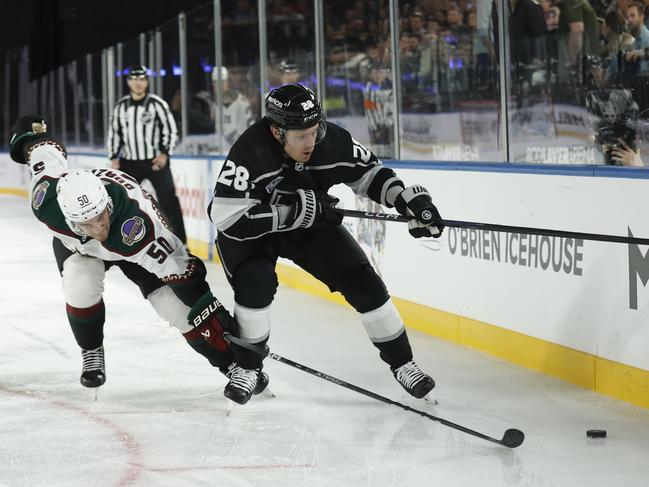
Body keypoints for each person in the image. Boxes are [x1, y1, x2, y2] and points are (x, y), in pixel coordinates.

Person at [208, 83, 444, 405]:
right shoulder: (251, 152)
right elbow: (225, 218)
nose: (310, 142)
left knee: (366, 284)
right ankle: (248, 368)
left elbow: (370, 175)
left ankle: (404, 363)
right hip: (253, 231)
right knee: (255, 285)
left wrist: (404, 199)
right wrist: (290, 213)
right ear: (278, 132)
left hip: (308, 223)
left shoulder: (331, 140)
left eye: (314, 131)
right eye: (300, 136)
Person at [9, 114, 268, 395]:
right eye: (87, 223)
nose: (99, 228)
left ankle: (232, 365)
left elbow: (189, 280)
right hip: (82, 251)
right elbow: (43, 150)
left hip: (136, 250)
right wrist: (28, 134)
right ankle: (91, 349)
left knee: (179, 311)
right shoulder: (45, 200)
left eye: (101, 215)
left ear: (107, 201)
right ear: (69, 219)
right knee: (78, 285)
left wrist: (219, 326)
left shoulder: (142, 227)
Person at [106, 65, 187, 245]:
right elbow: (114, 133)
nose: (138, 83)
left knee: (168, 201)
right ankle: (118, 241)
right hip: (129, 162)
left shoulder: (157, 104)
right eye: (135, 79)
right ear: (129, 82)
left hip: (154, 161)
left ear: (147, 82)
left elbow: (171, 131)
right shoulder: (121, 107)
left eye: (142, 79)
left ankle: (180, 242)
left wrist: (164, 154)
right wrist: (114, 158)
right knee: (122, 202)